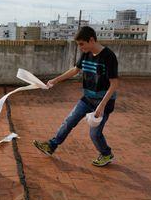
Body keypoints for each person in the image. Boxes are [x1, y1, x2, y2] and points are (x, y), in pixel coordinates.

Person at [33, 26, 119, 167]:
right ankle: (51, 146)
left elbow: (114, 84)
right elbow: (75, 70)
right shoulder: (86, 52)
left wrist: (101, 106)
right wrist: (55, 80)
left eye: (81, 44)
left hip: (103, 102)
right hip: (87, 98)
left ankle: (106, 154)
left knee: (94, 134)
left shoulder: (108, 56)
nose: (80, 47)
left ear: (91, 40)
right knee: (69, 121)